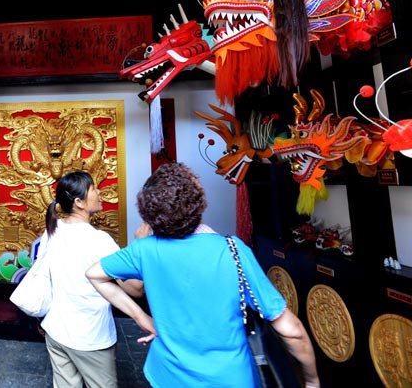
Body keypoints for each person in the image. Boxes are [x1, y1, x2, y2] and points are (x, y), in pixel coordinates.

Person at [86, 161, 321, 388]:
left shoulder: (144, 248)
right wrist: (311, 380)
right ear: (198, 203)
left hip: (166, 375)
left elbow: (94, 273)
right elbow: (291, 331)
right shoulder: (233, 250)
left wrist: (141, 318)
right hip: (228, 378)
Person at [39, 170, 147, 388]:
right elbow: (135, 288)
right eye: (94, 189)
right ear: (79, 202)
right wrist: (140, 246)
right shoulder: (99, 240)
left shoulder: (51, 231)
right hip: (90, 337)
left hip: (56, 330)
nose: (100, 193)